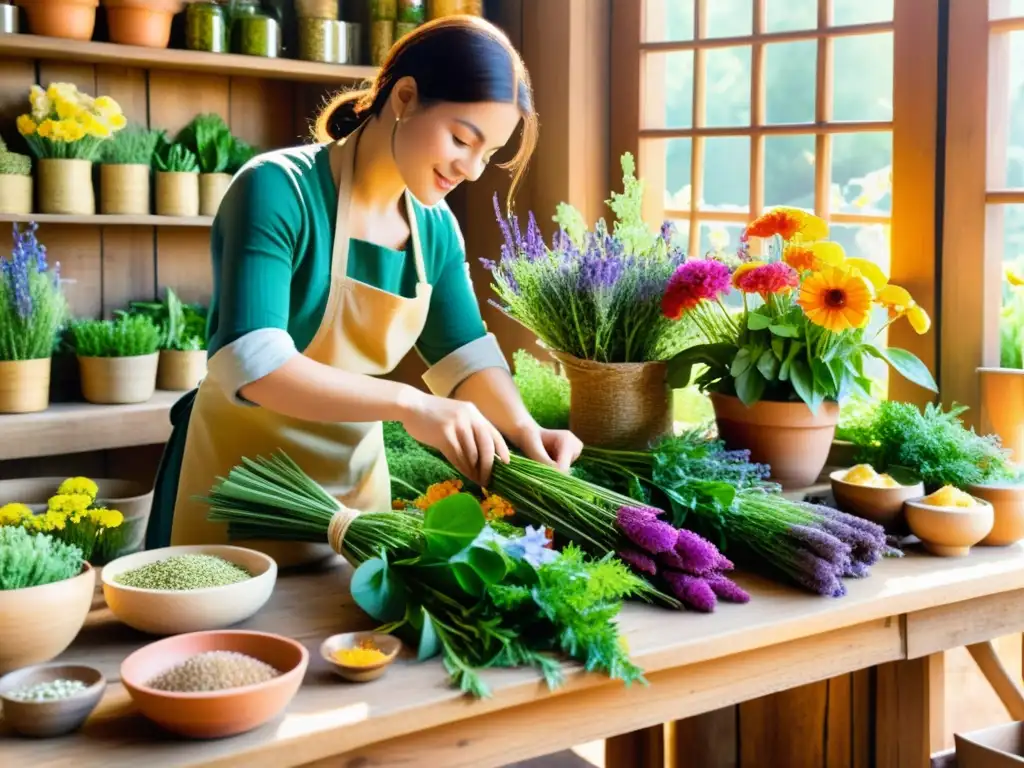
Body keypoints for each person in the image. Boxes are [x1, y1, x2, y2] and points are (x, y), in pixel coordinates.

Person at [144, 16, 583, 562]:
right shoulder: (278, 190)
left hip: (354, 512)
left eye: (487, 155)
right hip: (237, 490)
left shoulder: (435, 227)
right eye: (461, 139)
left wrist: (524, 429)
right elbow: (249, 360)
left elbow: (465, 354)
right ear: (404, 97)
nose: (471, 170)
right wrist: (408, 404)